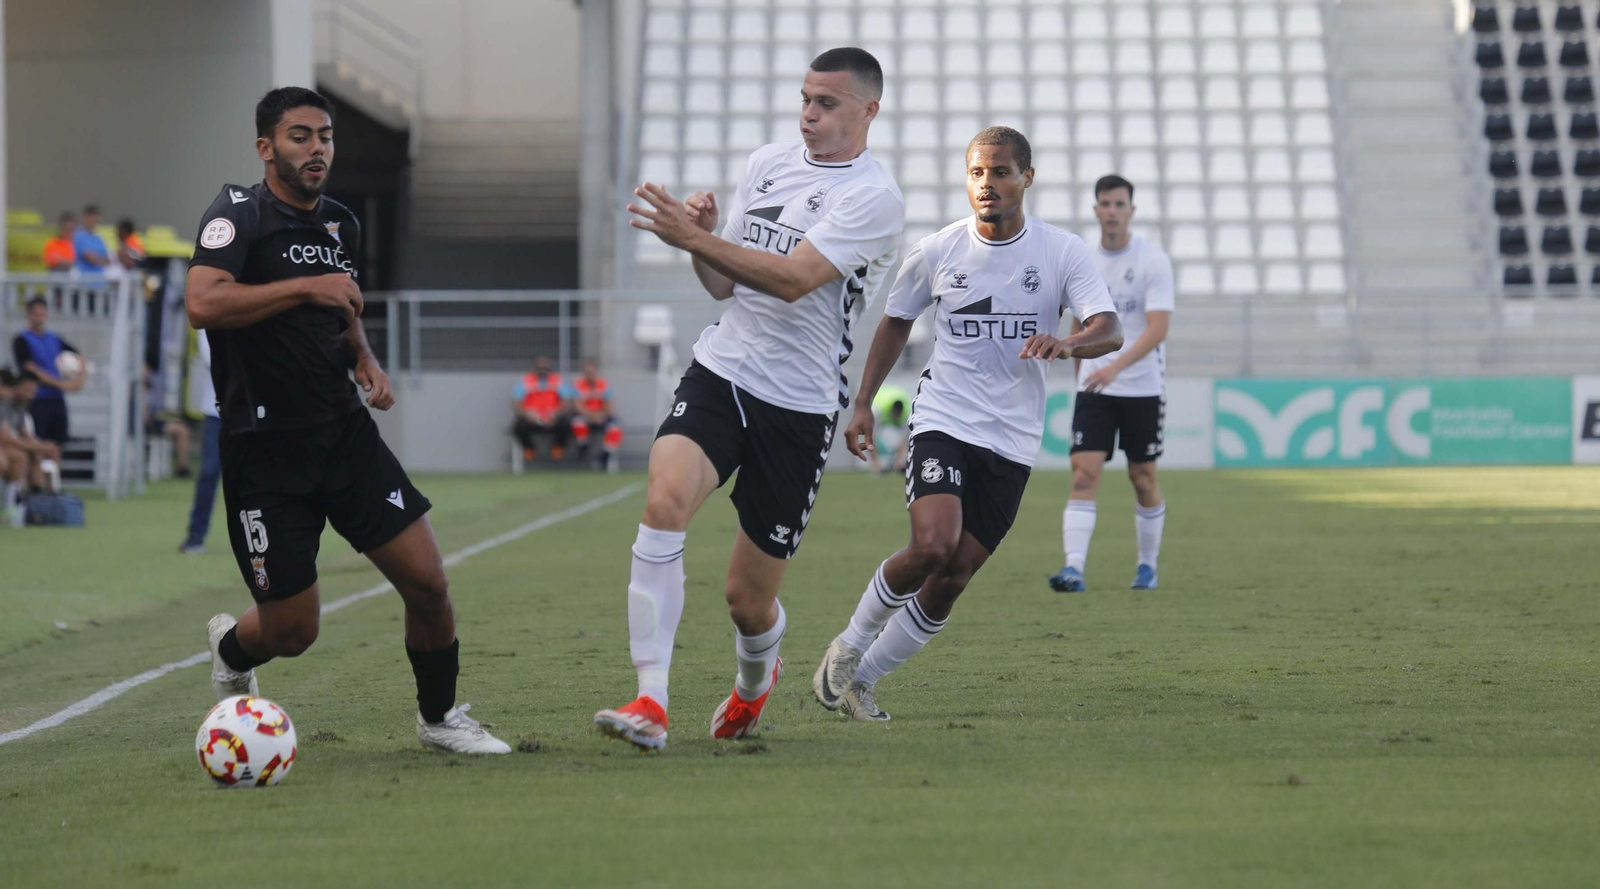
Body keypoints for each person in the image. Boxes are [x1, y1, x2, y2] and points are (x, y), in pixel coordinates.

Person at [592, 47, 904, 751]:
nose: (809, 114)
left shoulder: (873, 197)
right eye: (805, 99)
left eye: (826, 103)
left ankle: (754, 684)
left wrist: (694, 236)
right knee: (663, 503)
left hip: (798, 405)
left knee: (748, 600)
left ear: (868, 111)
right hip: (724, 370)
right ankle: (651, 698)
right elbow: (723, 286)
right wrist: (702, 244)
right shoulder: (768, 163)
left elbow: (793, 280)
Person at [185, 86, 509, 754]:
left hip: (344, 435)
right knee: (293, 632)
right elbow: (204, 302)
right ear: (265, 147)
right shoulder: (238, 213)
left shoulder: (340, 224)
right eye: (300, 136)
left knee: (428, 583)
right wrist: (309, 286)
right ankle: (230, 646)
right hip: (263, 450)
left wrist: (363, 356)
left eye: (325, 136)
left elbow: (342, 308)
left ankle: (440, 719)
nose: (317, 149)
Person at [812, 127, 1122, 721]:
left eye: (1001, 172)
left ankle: (862, 683)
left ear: (1027, 177)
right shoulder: (937, 251)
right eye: (978, 173)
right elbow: (895, 321)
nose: (988, 184)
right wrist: (863, 403)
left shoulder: (1061, 252)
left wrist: (1069, 343)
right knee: (934, 544)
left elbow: (1109, 328)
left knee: (954, 575)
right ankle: (849, 646)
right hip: (945, 418)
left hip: (1014, 439)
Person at [1049, 175, 1176, 593]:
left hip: (1142, 387)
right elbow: (1078, 323)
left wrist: (1114, 368)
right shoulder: (1084, 259)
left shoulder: (1153, 260)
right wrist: (1081, 370)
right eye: (1105, 204)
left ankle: (1147, 567)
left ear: (1131, 211)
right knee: (1083, 475)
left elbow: (1157, 330)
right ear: (1096, 209)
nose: (1112, 211)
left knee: (1143, 478)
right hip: (1095, 389)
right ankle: (1073, 568)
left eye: (1119, 204)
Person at [12, 296, 85, 444]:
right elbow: (30, 368)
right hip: (37, 400)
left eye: (42, 313)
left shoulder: (54, 339)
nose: (39, 317)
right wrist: (62, 385)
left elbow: (79, 357)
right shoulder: (22, 340)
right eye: (35, 314)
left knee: (59, 444)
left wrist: (79, 381)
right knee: (39, 442)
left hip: (57, 399)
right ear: (29, 315)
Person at [179, 332, 223, 554]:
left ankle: (265, 539)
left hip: (253, 409)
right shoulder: (208, 320)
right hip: (216, 410)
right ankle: (196, 536)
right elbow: (211, 358)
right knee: (209, 472)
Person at [563, 358, 623, 471]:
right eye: (587, 372)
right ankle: (583, 446)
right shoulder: (578, 385)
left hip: (601, 415)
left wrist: (601, 415)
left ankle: (605, 454)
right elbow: (577, 405)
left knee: (615, 427)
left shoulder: (603, 384)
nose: (590, 375)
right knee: (577, 422)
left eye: (592, 372)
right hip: (586, 415)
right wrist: (591, 415)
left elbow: (608, 403)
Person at [512, 356, 569, 463]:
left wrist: (556, 414)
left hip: (553, 418)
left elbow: (566, 401)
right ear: (534, 368)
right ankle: (529, 449)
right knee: (519, 426)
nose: (542, 371)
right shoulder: (525, 381)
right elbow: (517, 403)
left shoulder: (557, 380)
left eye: (545, 368)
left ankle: (557, 448)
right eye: (539, 368)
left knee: (565, 423)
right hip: (532, 419)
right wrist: (528, 415)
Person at [869, 384, 910, 477]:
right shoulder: (877, 410)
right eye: (895, 415)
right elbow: (870, 438)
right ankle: (877, 465)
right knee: (871, 437)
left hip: (898, 396)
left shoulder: (907, 413)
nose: (896, 417)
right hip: (879, 401)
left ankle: (899, 464)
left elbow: (904, 439)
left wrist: (898, 461)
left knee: (904, 438)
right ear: (892, 411)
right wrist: (876, 463)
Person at [72, 204, 112, 277]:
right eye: (93, 218)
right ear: (86, 217)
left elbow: (108, 260)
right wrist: (100, 259)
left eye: (97, 219)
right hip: (85, 280)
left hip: (100, 279)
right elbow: (90, 258)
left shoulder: (98, 238)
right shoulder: (78, 235)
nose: (95, 221)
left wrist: (98, 259)